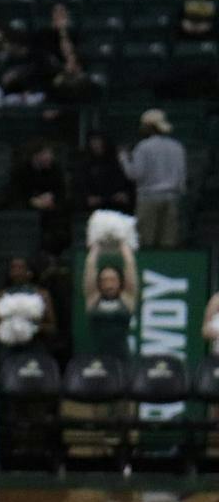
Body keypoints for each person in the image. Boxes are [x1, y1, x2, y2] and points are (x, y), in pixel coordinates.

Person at [126, 109, 186, 249]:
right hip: (172, 198)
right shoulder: (177, 146)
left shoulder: (143, 147)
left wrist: (123, 159)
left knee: (146, 241)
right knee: (168, 242)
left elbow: (135, 174)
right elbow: (182, 175)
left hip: (148, 198)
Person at [83, 239, 138, 358]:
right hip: (97, 358)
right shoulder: (93, 299)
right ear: (99, 284)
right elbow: (90, 264)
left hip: (122, 359)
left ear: (120, 282)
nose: (109, 284)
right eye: (104, 280)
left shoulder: (127, 299)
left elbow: (130, 263)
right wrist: (97, 239)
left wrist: (122, 238)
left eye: (113, 280)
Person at [0, 257, 56, 350]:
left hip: (35, 348)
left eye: (21, 268)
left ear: (29, 272)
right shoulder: (0, 296)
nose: (17, 272)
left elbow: (52, 328)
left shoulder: (42, 294)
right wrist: (7, 327)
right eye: (13, 268)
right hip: (9, 349)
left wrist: (33, 327)